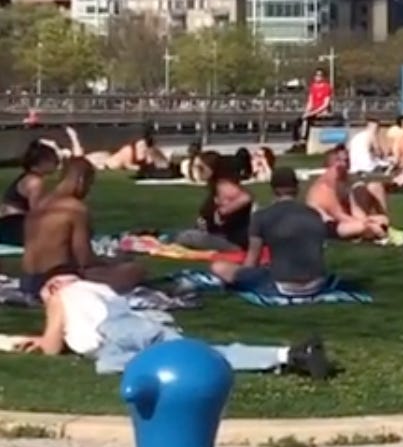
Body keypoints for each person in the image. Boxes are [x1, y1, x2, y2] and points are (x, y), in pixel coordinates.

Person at [12, 273, 330, 379]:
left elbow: (51, 346)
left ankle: (289, 355)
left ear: (52, 287)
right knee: (197, 354)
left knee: (113, 366)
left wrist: (39, 339)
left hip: (116, 337)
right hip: (139, 324)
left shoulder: (60, 296)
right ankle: (286, 355)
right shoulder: (96, 288)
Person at [21, 157, 147, 296]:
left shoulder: (40, 204)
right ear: (81, 180)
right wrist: (111, 261)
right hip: (58, 281)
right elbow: (84, 259)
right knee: (135, 270)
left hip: (29, 281)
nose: (88, 190)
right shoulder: (76, 209)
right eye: (89, 184)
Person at [212, 167, 331, 299]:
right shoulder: (314, 214)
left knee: (219, 267)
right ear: (297, 188)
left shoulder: (261, 216)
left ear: (273, 189)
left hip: (283, 286)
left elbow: (252, 262)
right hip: (317, 283)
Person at [305, 146, 389, 241]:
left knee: (381, 217)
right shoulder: (325, 187)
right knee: (367, 227)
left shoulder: (343, 180)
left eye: (347, 160)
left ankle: (373, 231)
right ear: (333, 163)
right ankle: (377, 234)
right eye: (342, 161)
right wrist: (367, 223)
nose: (346, 165)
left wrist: (367, 220)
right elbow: (339, 215)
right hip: (328, 226)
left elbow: (353, 208)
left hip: (342, 221)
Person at [174, 165, 255, 253]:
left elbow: (224, 214)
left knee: (186, 236)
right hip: (228, 238)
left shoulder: (242, 199)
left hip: (233, 242)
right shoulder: (216, 201)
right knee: (187, 234)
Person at [0, 141, 59, 246]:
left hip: (7, 225)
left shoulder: (26, 177)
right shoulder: (34, 182)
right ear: (43, 162)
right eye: (54, 160)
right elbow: (37, 212)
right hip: (13, 227)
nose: (57, 164)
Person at [293, 67, 333, 144]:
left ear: (323, 77)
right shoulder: (313, 87)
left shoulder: (327, 87)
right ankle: (296, 140)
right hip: (313, 111)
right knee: (297, 121)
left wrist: (314, 112)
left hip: (322, 111)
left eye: (320, 75)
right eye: (316, 75)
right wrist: (307, 111)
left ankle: (305, 139)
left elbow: (325, 104)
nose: (318, 77)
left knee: (308, 120)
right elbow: (310, 102)